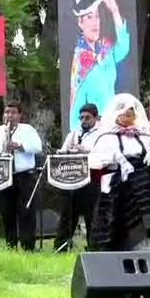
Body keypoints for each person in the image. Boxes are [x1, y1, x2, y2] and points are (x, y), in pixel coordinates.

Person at [86, 94, 150, 251]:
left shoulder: (143, 135)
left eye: (131, 114)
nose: (128, 116)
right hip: (118, 185)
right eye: (124, 113)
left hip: (145, 183)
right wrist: (116, 159)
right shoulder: (106, 137)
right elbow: (94, 160)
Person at [67, 0, 131, 132]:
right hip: (94, 133)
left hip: (114, 126)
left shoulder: (106, 49)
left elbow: (124, 47)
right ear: (80, 22)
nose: (95, 22)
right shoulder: (81, 62)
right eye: (89, 17)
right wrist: (80, 138)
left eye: (97, 16)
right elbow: (76, 113)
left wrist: (114, 10)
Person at [0, 101, 44, 251]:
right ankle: (11, 245)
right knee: (6, 211)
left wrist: (20, 146)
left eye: (13, 112)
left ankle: (28, 246)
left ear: (19, 115)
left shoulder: (27, 130)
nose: (10, 116)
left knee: (26, 211)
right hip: (4, 175)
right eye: (7, 112)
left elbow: (38, 147)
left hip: (24, 175)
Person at [54, 103, 101, 252]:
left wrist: (85, 150)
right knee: (67, 215)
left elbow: (102, 155)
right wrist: (64, 152)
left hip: (90, 180)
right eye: (81, 118)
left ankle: (93, 249)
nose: (83, 121)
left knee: (91, 216)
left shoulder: (101, 134)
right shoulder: (74, 133)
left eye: (87, 118)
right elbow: (62, 151)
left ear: (96, 118)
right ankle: (60, 247)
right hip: (71, 179)